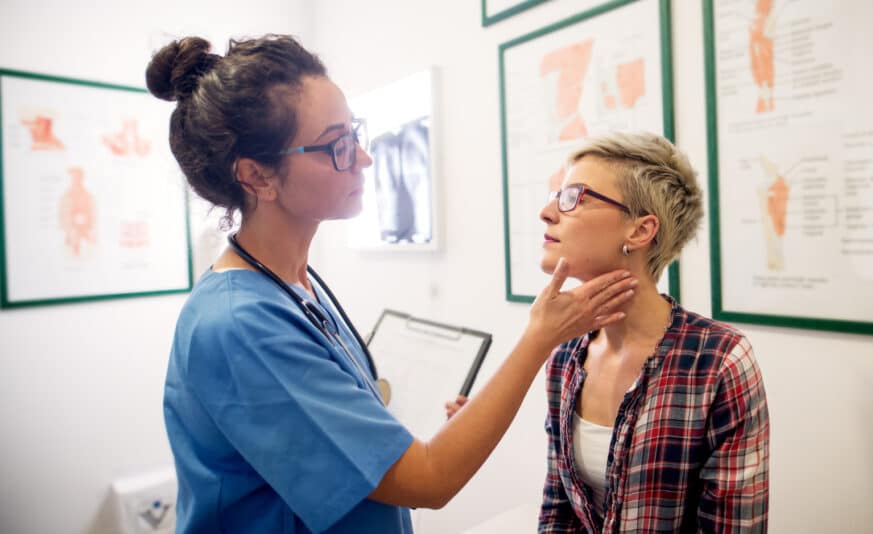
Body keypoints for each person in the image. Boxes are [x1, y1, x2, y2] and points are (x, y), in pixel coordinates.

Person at [149, 35, 639, 533]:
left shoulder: (294, 283)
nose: (363, 158)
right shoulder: (239, 326)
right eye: (336, 145)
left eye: (356, 133)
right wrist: (540, 336)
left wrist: (439, 434)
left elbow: (355, 439)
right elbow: (427, 481)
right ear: (257, 176)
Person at [537, 132, 770, 532]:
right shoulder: (564, 356)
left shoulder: (719, 361)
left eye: (573, 197)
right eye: (556, 195)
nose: (547, 212)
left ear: (640, 231)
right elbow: (558, 511)